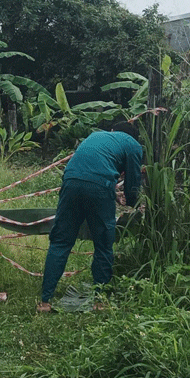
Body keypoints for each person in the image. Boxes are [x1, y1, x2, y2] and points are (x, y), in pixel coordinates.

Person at [37, 122, 143, 313]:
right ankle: (100, 301)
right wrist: (134, 204)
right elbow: (133, 182)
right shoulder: (133, 145)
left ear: (113, 131)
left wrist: (112, 192)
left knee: (60, 242)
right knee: (103, 244)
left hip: (70, 182)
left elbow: (89, 166)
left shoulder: (95, 136)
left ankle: (45, 301)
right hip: (99, 187)